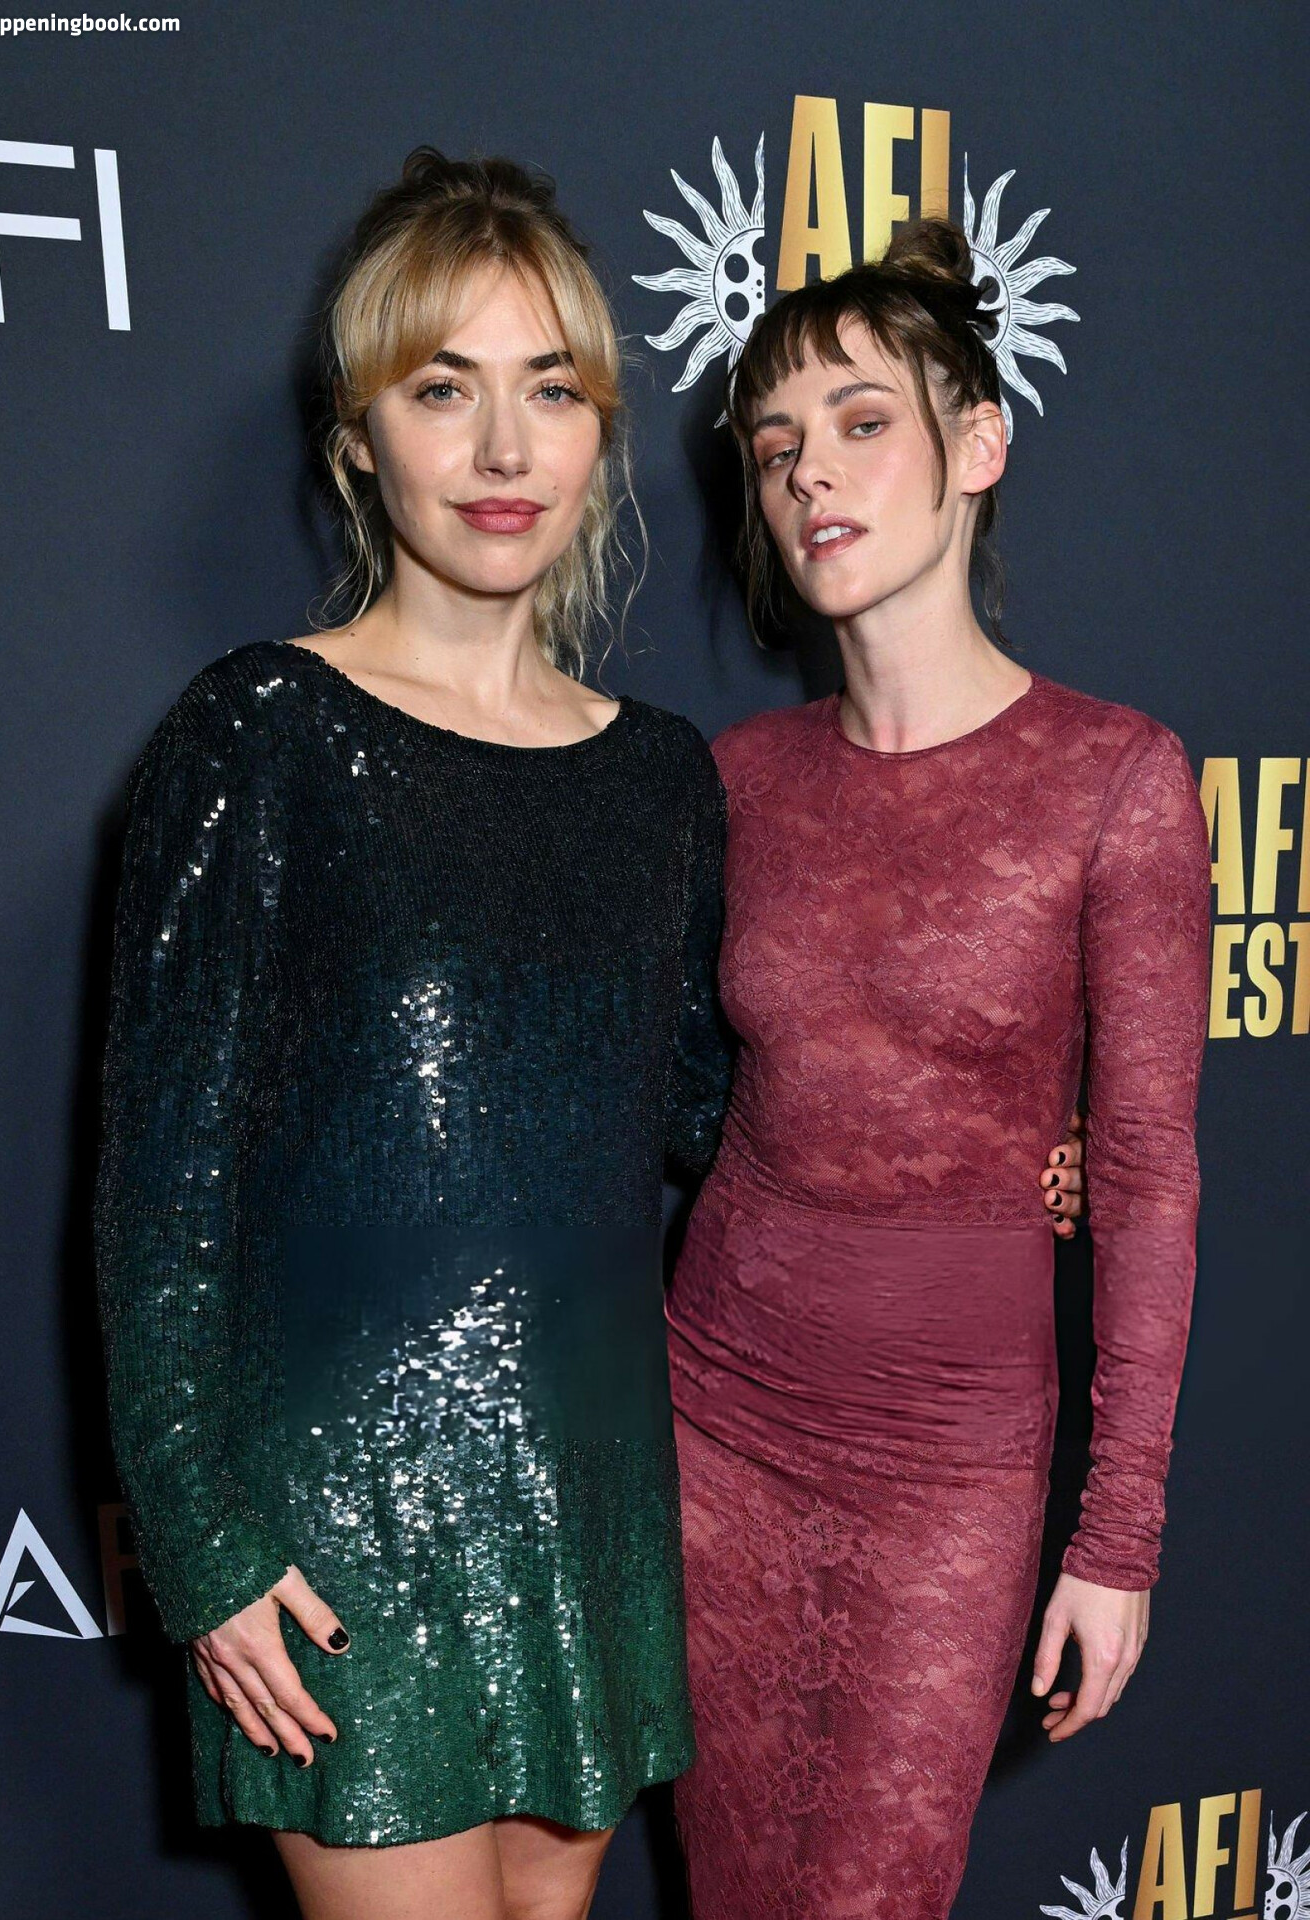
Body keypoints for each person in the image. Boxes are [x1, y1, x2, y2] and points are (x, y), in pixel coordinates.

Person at [92, 150, 1083, 1920]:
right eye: (442, 389)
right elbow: (161, 1193)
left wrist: (984, 1139)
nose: (502, 449)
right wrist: (201, 1545)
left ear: (599, 434)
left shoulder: (659, 781)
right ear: (359, 437)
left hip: (599, 1502)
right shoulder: (264, 735)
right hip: (346, 1524)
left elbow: (716, 1108)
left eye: (550, 391)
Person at [664, 218, 1212, 1920]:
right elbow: (678, 1096)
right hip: (709, 1415)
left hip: (950, 1454)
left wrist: (1116, 1537)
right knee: (730, 1888)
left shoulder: (1116, 780)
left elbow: (1150, 1179)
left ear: (979, 444)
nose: (810, 475)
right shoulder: (733, 781)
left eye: (859, 423)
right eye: (776, 447)